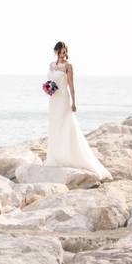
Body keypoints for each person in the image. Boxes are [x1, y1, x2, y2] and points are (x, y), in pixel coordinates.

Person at [45, 41, 113, 181]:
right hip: (53, 100)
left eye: (65, 52)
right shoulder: (51, 65)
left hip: (63, 99)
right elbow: (50, 81)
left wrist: (74, 102)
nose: (63, 55)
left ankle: (70, 156)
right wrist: (48, 88)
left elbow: (71, 85)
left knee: (66, 126)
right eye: (61, 52)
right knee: (55, 126)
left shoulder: (68, 66)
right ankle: (56, 156)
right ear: (56, 51)